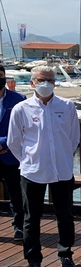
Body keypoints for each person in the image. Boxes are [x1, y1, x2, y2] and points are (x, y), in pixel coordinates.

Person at [8, 66, 80, 267]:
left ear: (55, 83)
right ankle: (33, 261)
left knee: (65, 215)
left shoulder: (67, 106)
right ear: (32, 83)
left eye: (50, 80)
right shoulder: (21, 109)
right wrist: (29, 161)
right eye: (41, 80)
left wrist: (64, 158)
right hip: (32, 172)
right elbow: (14, 141)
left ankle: (66, 255)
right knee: (31, 218)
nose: (46, 84)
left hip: (62, 171)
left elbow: (74, 138)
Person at [0, 65, 27, 241]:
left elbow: (23, 128)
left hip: (12, 154)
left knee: (17, 194)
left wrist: (4, 143)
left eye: (0, 76)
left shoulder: (19, 99)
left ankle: (19, 227)